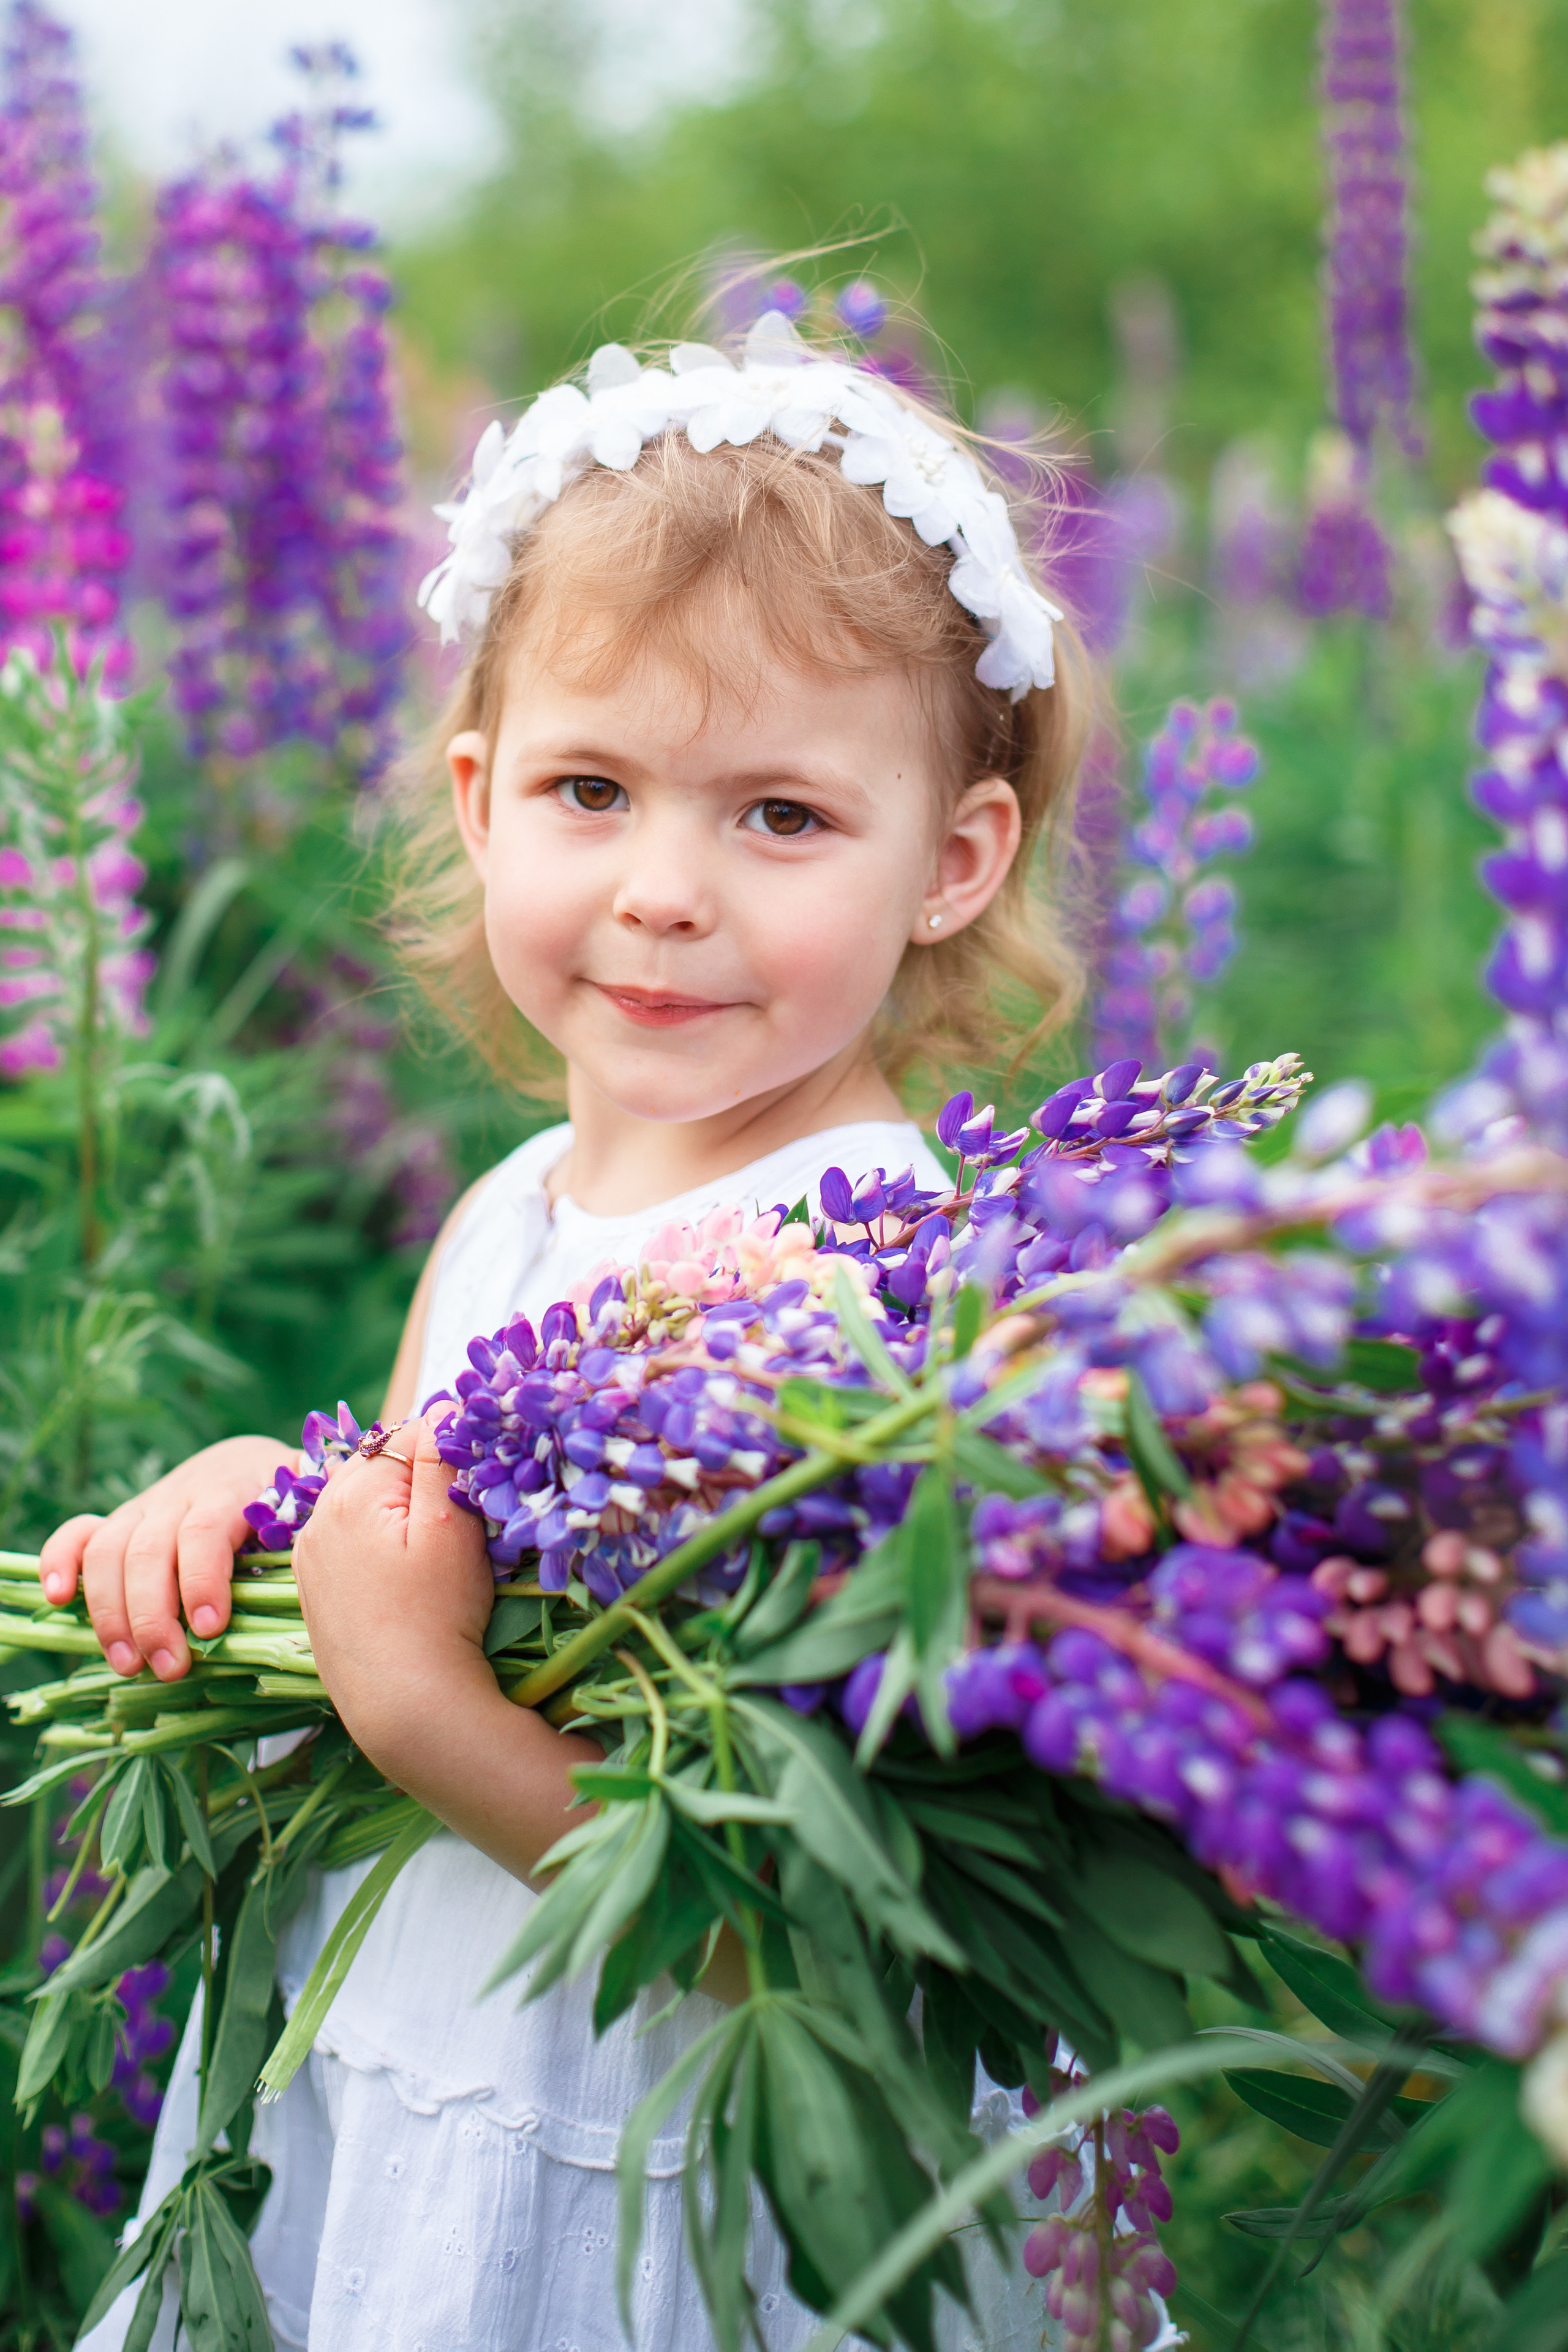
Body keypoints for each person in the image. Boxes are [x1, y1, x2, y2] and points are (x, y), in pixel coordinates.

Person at [45, 299, 1093, 2352]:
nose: (665, 890)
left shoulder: (879, 1279)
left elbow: (813, 1945)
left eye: (780, 816)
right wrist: (264, 1516)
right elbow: (413, 1534)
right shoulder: (517, 1209)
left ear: (954, 865)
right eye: (593, 788)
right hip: (434, 2062)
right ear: (478, 794)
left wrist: (426, 1714)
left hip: (685, 2167)